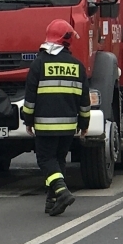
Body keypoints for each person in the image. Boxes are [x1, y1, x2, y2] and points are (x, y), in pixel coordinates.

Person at [22, 20, 91, 217]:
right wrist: (84, 124)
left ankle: (61, 192)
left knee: (45, 159)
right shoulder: (78, 66)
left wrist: (28, 120)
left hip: (45, 124)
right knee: (59, 159)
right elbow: (84, 101)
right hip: (69, 126)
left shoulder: (39, 64)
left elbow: (30, 99)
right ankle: (52, 201)